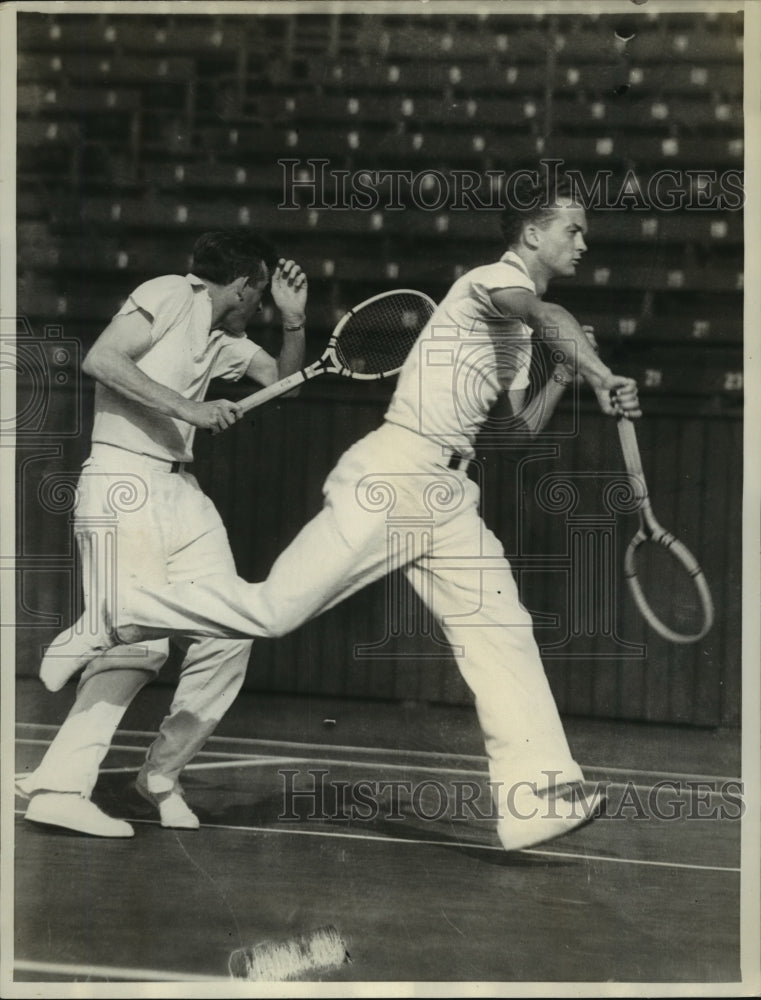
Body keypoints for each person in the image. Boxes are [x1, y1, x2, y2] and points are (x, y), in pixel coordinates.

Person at [39, 172, 641, 851]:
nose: (584, 242)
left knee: (502, 625)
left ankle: (537, 800)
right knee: (273, 612)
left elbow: (510, 435)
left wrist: (566, 377)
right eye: (573, 229)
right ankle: (122, 616)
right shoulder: (489, 283)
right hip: (394, 475)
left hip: (447, 494)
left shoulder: (521, 336)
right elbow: (548, 316)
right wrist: (596, 370)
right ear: (532, 234)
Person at [21, 229, 308, 838]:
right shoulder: (171, 293)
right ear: (241, 287)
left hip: (183, 494)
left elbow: (282, 384)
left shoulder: (225, 338)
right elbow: (102, 359)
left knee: (231, 627)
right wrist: (190, 408)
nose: (256, 308)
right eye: (260, 298)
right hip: (122, 481)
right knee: (143, 648)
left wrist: (292, 323)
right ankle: (57, 789)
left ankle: (158, 776)